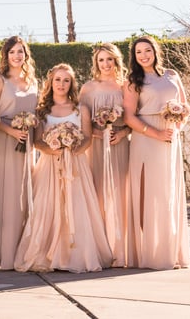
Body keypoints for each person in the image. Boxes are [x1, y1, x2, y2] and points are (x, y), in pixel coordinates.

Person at [14, 63, 112, 273]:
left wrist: (73, 150)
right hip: (50, 165)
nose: (61, 84)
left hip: (76, 165)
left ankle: (77, 255)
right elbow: (38, 142)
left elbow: (87, 138)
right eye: (58, 80)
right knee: (47, 208)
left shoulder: (80, 109)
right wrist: (55, 150)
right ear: (51, 82)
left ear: (71, 84)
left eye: (66, 80)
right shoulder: (41, 111)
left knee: (77, 207)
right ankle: (48, 254)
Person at [122, 34, 190, 270]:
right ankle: (152, 254)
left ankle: (171, 251)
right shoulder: (133, 81)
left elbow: (186, 107)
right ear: (134, 56)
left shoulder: (172, 75)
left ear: (155, 51)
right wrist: (156, 133)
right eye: (138, 52)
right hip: (146, 139)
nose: (143, 55)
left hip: (171, 140)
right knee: (151, 195)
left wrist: (176, 125)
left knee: (169, 194)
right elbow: (129, 117)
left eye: (147, 50)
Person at [0, 35, 39, 270]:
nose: (17, 56)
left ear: (26, 55)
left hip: (27, 144)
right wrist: (11, 131)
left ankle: (23, 251)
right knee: (7, 197)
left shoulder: (34, 82)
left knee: (25, 197)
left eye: (21, 52)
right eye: (12, 52)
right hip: (4, 142)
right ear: (5, 56)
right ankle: (5, 254)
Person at [79, 42, 132, 267]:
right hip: (96, 148)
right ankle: (101, 250)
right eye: (101, 60)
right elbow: (81, 121)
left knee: (121, 195)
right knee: (98, 195)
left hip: (120, 146)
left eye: (109, 59)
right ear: (96, 63)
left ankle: (123, 250)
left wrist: (122, 134)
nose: (106, 64)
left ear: (116, 60)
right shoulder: (88, 88)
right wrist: (96, 136)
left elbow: (133, 119)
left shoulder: (126, 86)